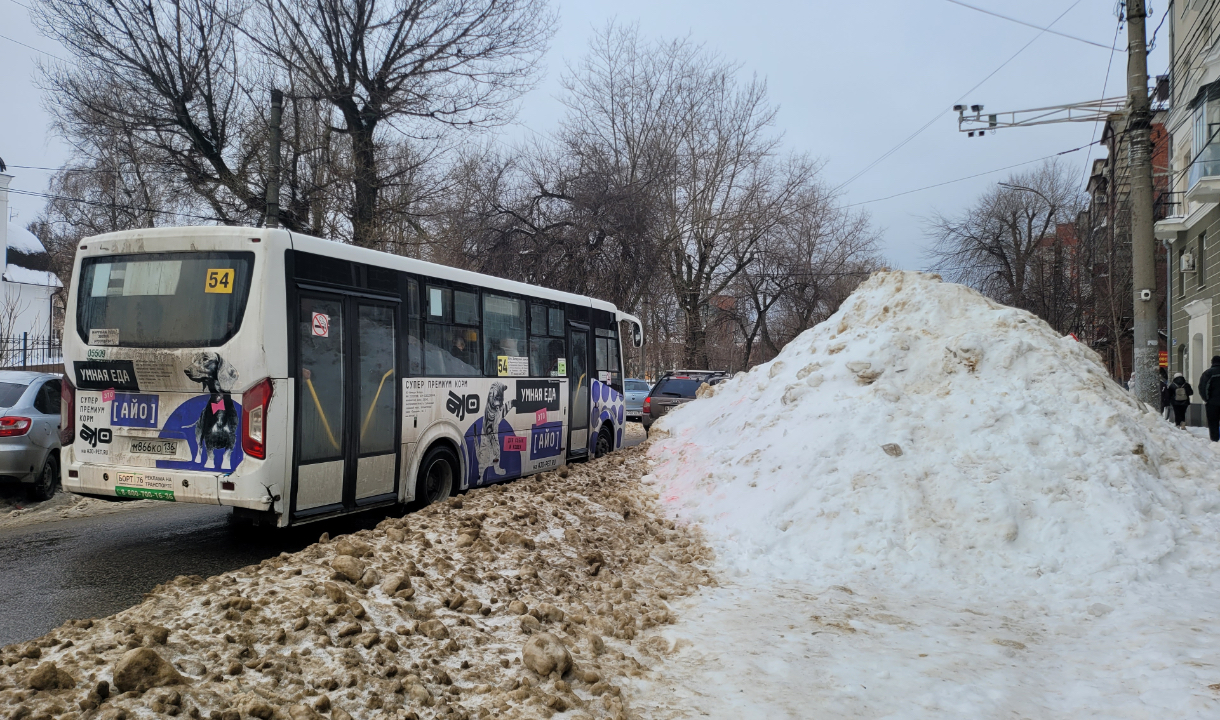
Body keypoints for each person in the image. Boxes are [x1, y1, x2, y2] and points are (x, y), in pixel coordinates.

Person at [1199, 355, 1220, 441]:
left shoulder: (1208, 373)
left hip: (1212, 404)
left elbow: (1203, 388)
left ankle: (1215, 441)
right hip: (1213, 402)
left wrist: (1207, 399)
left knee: (1213, 423)